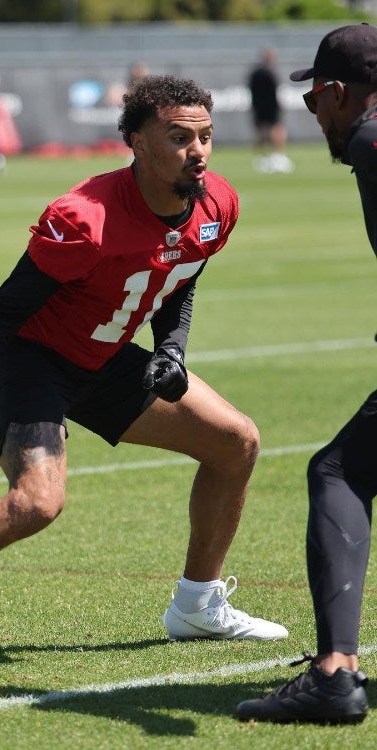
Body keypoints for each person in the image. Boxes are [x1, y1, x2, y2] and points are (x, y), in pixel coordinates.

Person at [0, 75, 288, 683]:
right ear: (136, 142)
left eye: (206, 136)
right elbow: (3, 313)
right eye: (179, 137)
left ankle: (197, 605)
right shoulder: (84, 217)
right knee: (37, 503)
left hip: (102, 357)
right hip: (31, 360)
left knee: (236, 441)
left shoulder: (216, 205)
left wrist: (171, 352)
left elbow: (180, 282)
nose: (199, 151)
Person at [236, 23, 377, 725]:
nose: (313, 113)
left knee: (339, 474)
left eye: (317, 97)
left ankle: (333, 673)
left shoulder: (368, 138)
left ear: (338, 93)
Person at [247, 47, 294, 174]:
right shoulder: (270, 73)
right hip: (271, 106)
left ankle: (262, 157)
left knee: (261, 131)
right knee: (276, 130)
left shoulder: (255, 73)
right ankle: (277, 156)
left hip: (258, 106)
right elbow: (275, 91)